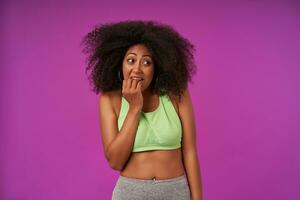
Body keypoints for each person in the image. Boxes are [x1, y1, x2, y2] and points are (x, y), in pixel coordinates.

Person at [81, 20, 203, 200]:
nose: (137, 69)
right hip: (130, 193)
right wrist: (134, 107)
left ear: (157, 67)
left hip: (175, 192)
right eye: (131, 60)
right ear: (120, 65)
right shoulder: (109, 100)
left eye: (147, 62)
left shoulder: (177, 95)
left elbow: (190, 152)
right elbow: (115, 161)